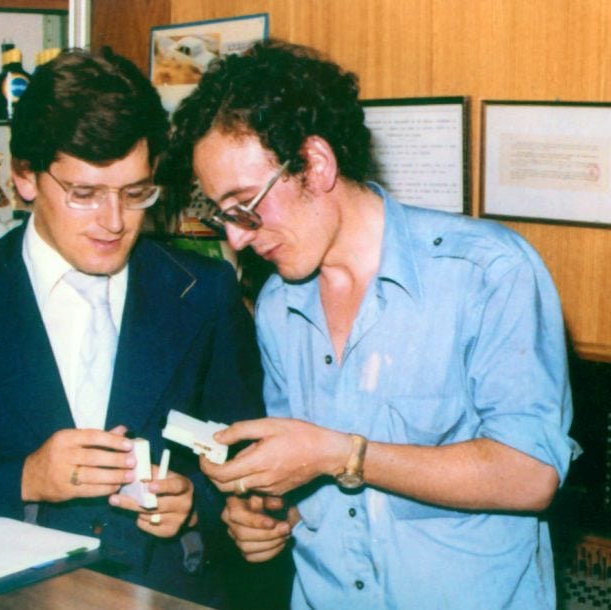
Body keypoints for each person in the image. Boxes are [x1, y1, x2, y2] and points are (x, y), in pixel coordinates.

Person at [162, 39, 580, 609]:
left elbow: (531, 475)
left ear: (316, 164)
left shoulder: (487, 272)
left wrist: (345, 455)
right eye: (221, 214)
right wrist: (263, 514)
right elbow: (304, 476)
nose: (235, 236)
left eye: (244, 205)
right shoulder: (281, 305)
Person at [0, 47, 269, 608]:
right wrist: (25, 478)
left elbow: (249, 475)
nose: (113, 221)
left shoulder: (204, 291)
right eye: (84, 194)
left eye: (136, 194)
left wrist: (195, 503)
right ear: (25, 176)